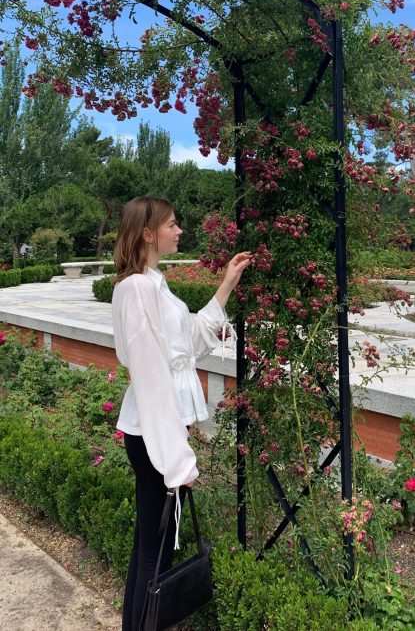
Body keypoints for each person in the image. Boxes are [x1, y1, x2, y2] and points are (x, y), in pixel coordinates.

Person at [111, 195, 251, 631]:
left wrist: (227, 282)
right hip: (155, 434)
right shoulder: (136, 288)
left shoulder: (154, 283)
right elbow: (151, 377)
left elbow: (187, 343)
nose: (179, 231)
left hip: (160, 431)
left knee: (149, 546)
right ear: (148, 233)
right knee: (154, 552)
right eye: (172, 225)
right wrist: (178, 462)